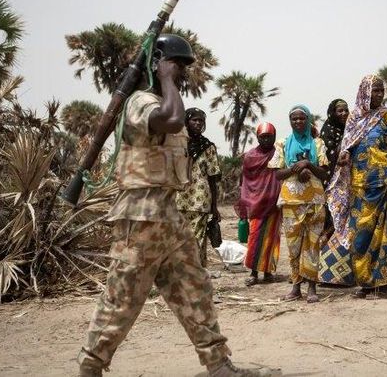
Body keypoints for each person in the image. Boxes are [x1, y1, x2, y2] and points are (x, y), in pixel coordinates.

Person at [77, 34, 256, 377]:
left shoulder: (162, 99)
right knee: (123, 298)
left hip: (168, 214)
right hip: (140, 216)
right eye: (178, 65)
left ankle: (218, 364)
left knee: (195, 288)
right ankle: (91, 366)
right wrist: (165, 78)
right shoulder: (140, 102)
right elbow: (172, 120)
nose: (183, 72)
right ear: (158, 63)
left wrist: (167, 81)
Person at [320, 75, 387, 298]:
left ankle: (380, 282)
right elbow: (346, 150)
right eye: (374, 90)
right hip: (358, 186)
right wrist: (344, 157)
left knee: (382, 234)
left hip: (382, 183)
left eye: (381, 90)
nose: (379, 94)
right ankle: (366, 281)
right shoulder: (354, 119)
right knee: (360, 236)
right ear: (364, 92)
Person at [268, 105, 329, 303]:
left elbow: (324, 172)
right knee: (293, 246)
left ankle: (312, 287)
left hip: (315, 201)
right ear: (290, 121)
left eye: (302, 119)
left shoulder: (318, 143)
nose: (298, 122)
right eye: (294, 119)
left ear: (308, 120)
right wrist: (296, 168)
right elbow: (277, 173)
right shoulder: (283, 143)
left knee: (312, 244)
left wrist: (308, 164)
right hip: (291, 201)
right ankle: (295, 287)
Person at [236, 122, 282, 286]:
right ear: (257, 137)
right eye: (262, 137)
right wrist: (245, 201)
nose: (266, 140)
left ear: (274, 137)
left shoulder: (279, 154)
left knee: (272, 237)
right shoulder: (250, 156)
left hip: (275, 203)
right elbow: (246, 181)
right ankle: (253, 272)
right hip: (256, 202)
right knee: (254, 237)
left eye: (269, 137)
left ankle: (268, 271)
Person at [175, 107, 221, 268]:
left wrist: (214, 207)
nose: (198, 123)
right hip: (178, 200)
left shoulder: (208, 147)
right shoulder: (175, 144)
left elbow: (213, 178)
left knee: (197, 240)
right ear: (186, 122)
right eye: (194, 120)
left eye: (201, 120)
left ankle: (193, 273)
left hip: (200, 201)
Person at [319, 99, 349, 243]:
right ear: (332, 113)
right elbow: (327, 158)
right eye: (340, 111)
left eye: (346, 110)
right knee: (332, 216)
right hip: (331, 182)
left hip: (349, 182)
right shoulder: (328, 132)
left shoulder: (352, 129)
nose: (344, 113)